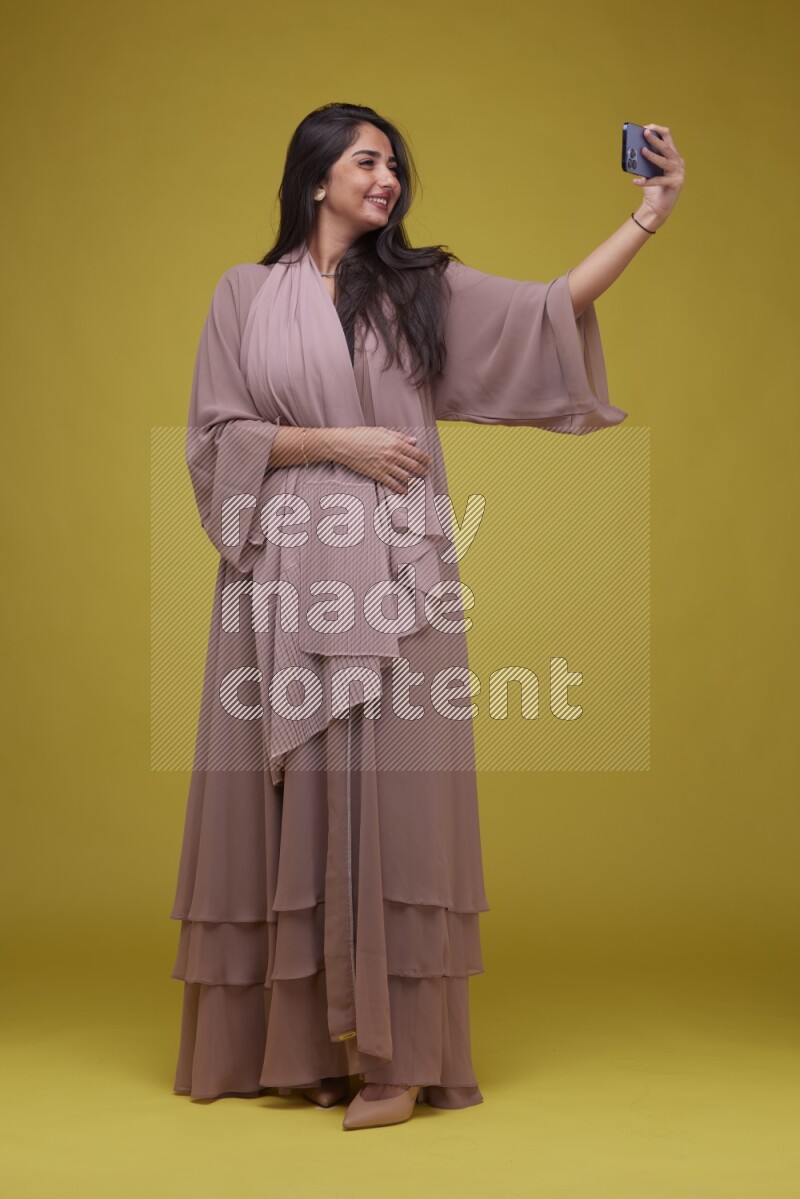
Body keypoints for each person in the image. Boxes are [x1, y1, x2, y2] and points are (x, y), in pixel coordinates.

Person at [169, 102, 685, 1131]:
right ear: (315, 176)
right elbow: (218, 433)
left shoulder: (417, 289)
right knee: (294, 797)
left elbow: (548, 310)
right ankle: (307, 1048)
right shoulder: (243, 293)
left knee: (393, 806)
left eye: (395, 163)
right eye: (367, 160)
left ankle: (395, 1062)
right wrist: (336, 444)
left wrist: (649, 211)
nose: (388, 176)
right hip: (280, 580)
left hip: (395, 580)